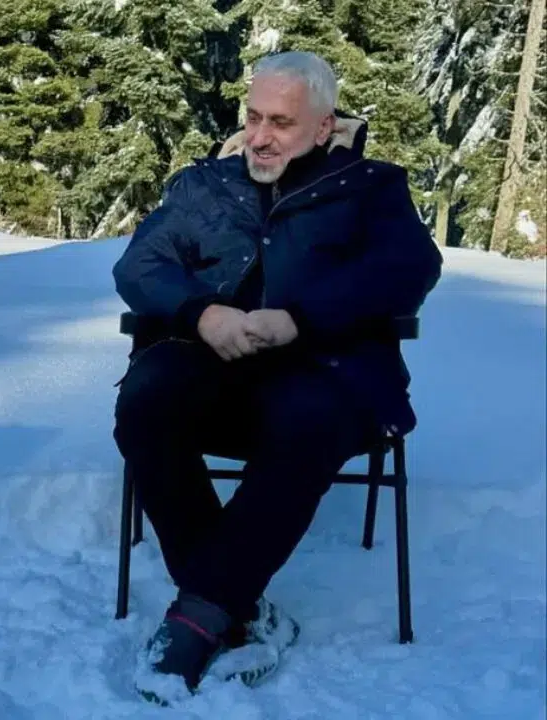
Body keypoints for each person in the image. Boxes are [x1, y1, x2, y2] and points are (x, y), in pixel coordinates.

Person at [110, 50, 443, 704]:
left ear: (323, 127)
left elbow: (408, 270)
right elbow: (139, 266)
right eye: (253, 117)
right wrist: (200, 312)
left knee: (304, 419)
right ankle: (241, 605)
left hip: (324, 374)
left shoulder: (371, 188)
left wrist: (301, 318)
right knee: (146, 401)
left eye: (281, 123)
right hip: (215, 365)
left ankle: (200, 616)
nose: (259, 136)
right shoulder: (206, 185)